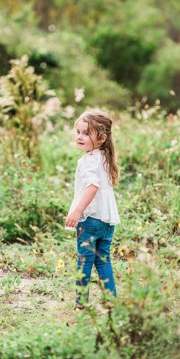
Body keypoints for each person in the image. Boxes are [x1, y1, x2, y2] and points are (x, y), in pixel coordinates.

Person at [64, 109, 120, 306]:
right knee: (103, 259)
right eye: (78, 132)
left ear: (102, 138)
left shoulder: (87, 160)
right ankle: (110, 300)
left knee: (85, 260)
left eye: (86, 133)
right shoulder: (105, 157)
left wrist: (77, 210)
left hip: (90, 219)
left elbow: (93, 186)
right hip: (107, 220)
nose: (80, 137)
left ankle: (81, 301)